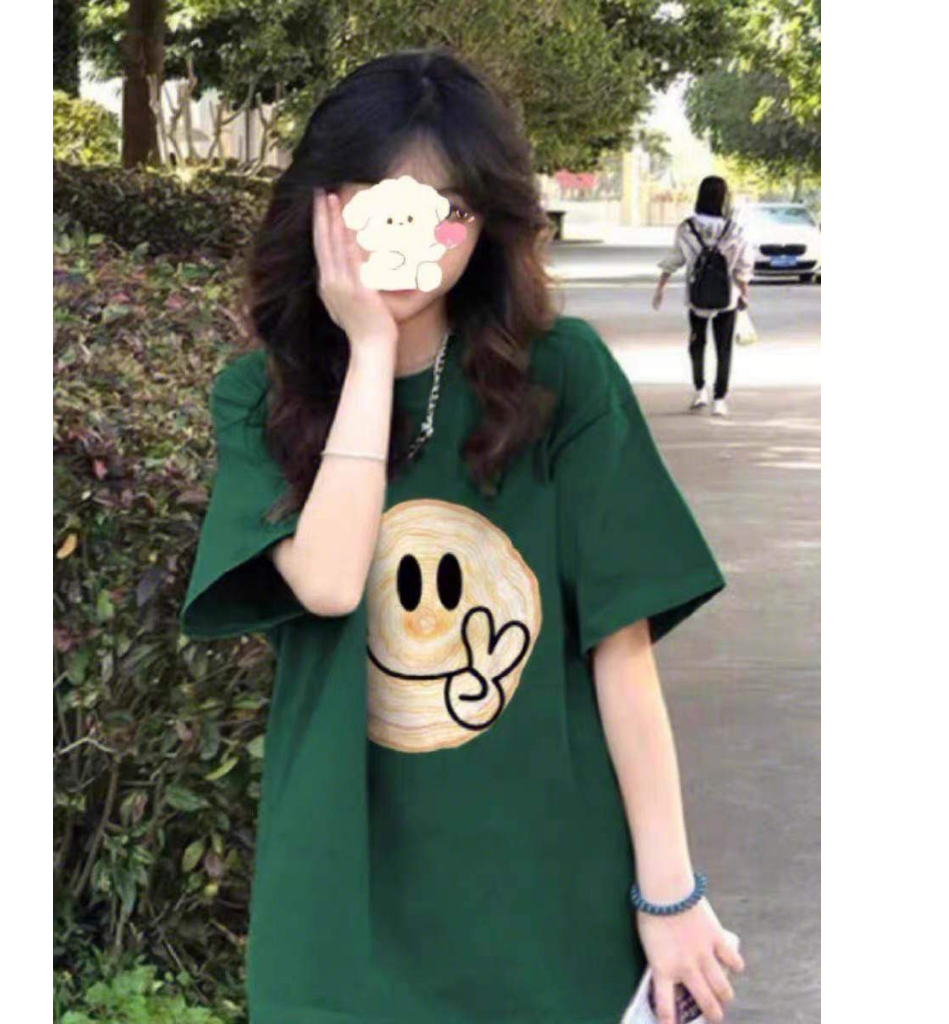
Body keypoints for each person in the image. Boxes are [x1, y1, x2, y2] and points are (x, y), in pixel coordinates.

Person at [181, 48, 745, 1024]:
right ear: (323, 209)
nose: (415, 237)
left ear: (486, 227)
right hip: (346, 902)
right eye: (382, 203)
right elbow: (328, 581)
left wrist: (669, 893)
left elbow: (621, 653)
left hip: (547, 892)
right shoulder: (260, 398)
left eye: (448, 209)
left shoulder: (560, 379)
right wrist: (369, 350)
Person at [652, 176, 753, 417]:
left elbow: (675, 258)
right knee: (724, 348)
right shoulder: (734, 230)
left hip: (696, 295)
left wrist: (661, 286)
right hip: (727, 297)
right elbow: (743, 266)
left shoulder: (687, 228)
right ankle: (720, 399)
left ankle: (700, 390)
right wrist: (744, 293)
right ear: (723, 198)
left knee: (697, 343)